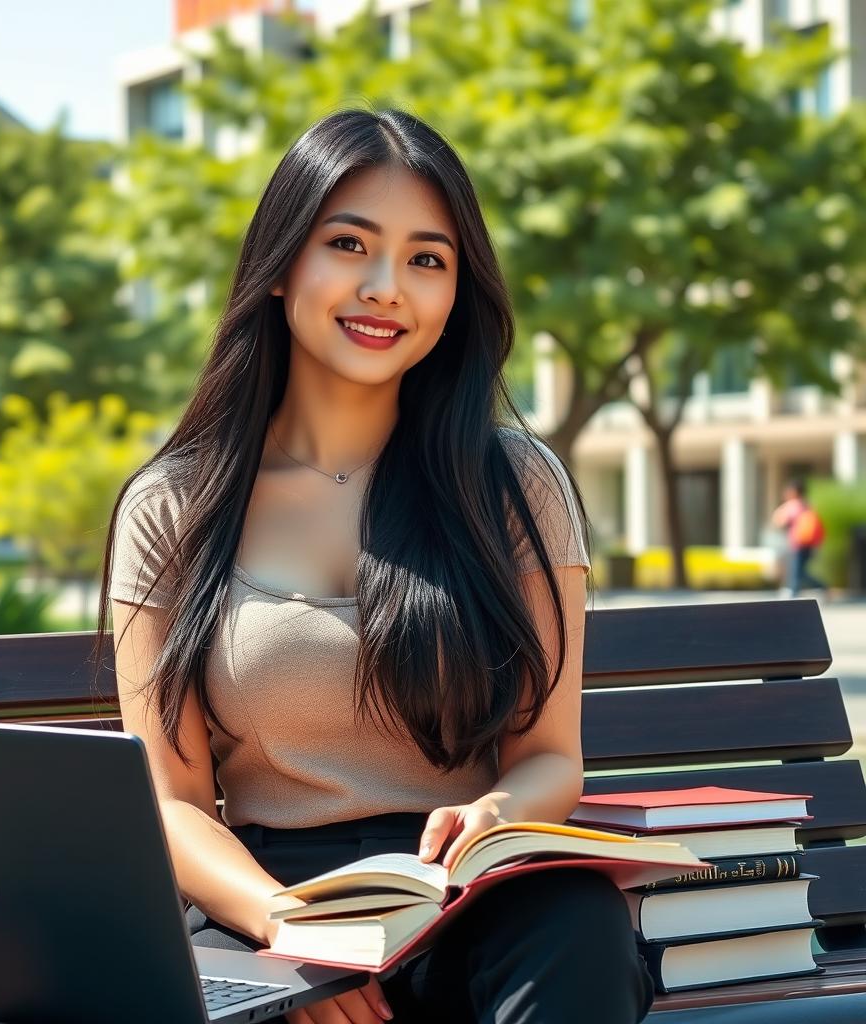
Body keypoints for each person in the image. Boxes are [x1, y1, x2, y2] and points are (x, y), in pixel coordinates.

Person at [99, 108, 655, 1024]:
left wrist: (500, 814)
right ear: (282, 266)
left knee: (579, 928)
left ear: (454, 294)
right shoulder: (175, 506)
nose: (386, 287)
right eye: (350, 245)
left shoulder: (514, 484)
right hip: (266, 899)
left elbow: (550, 756)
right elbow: (173, 802)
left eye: (427, 259)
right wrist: (285, 927)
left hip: (465, 898)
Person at [771, 480, 827, 597]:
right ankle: (819, 587)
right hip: (809, 542)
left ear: (794, 492)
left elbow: (780, 520)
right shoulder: (808, 504)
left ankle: (794, 592)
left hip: (799, 543)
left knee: (796, 570)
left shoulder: (794, 505)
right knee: (799, 570)